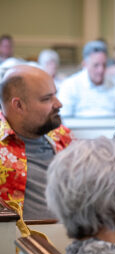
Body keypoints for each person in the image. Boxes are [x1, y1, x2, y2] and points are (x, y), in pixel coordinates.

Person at [0, 65, 72, 219]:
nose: (58, 104)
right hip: (19, 241)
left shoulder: (62, 136)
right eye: (47, 98)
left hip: (72, 237)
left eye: (55, 95)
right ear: (18, 105)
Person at [58, 40, 115, 117]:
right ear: (85, 64)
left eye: (104, 65)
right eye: (96, 65)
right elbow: (64, 119)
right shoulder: (70, 86)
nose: (101, 70)